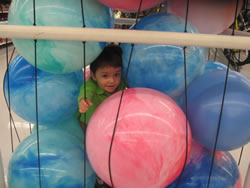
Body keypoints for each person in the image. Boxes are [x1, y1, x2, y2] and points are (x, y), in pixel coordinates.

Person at [77, 44, 126, 187]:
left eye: (116, 74)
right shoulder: (91, 85)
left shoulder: (121, 84)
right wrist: (83, 101)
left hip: (110, 126)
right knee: (93, 152)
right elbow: (85, 91)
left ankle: (111, 172)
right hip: (89, 123)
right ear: (93, 75)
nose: (112, 81)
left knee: (112, 151)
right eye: (105, 76)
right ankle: (98, 176)